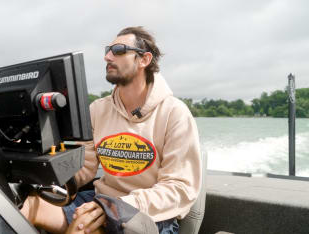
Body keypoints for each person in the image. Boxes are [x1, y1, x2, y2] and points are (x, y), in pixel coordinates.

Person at [21, 26, 202, 234]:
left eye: (118, 50)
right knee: (28, 207)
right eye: (108, 50)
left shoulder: (174, 113)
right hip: (100, 203)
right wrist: (41, 169)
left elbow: (179, 189)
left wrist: (116, 207)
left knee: (82, 228)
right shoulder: (98, 109)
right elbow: (85, 167)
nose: (107, 57)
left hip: (150, 216)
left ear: (144, 60)